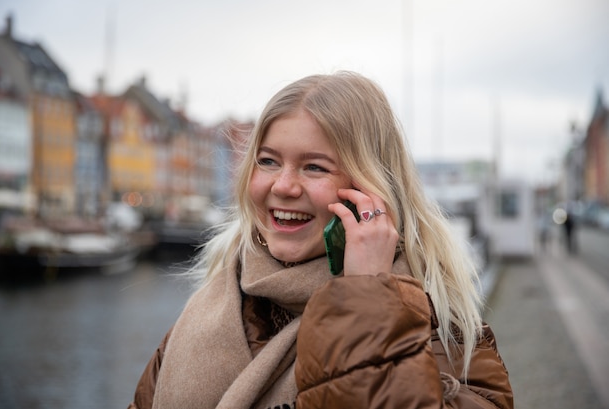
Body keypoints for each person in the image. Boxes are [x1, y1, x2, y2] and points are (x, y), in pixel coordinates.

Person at [128, 71, 513, 409]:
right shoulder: (211, 308)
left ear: (370, 189)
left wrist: (367, 300)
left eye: (314, 167)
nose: (283, 186)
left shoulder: (442, 329)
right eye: (268, 161)